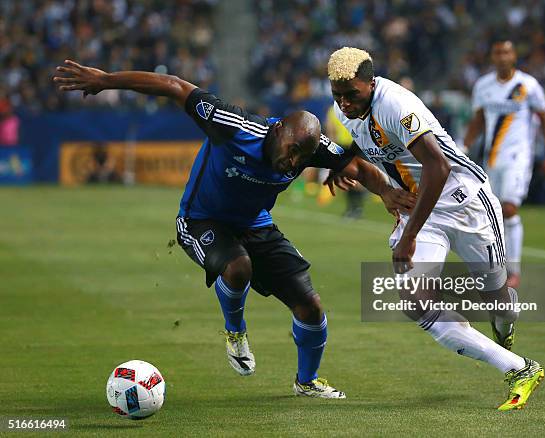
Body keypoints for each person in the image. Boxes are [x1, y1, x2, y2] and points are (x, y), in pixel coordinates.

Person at [53, 59, 415, 399]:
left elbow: (356, 165)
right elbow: (173, 85)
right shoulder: (232, 125)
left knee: (311, 307)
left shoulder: (309, 147)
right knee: (238, 266)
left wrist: (386, 192)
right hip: (200, 220)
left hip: (256, 224)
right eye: (290, 152)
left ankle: (306, 382)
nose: (291, 162)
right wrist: (106, 81)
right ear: (277, 130)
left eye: (300, 159)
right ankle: (235, 330)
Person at [326, 47, 544, 411]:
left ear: (371, 82)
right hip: (420, 210)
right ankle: (519, 368)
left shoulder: (396, 104)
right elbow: (364, 153)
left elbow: (438, 167)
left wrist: (408, 238)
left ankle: (505, 320)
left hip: (466, 202)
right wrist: (356, 174)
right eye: (338, 96)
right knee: (415, 299)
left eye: (352, 95)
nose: (345, 104)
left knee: (498, 300)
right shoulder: (344, 111)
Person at [463, 38, 545, 288]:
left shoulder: (528, 85)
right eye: (497, 53)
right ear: (492, 57)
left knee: (510, 209)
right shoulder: (483, 86)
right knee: (490, 213)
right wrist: (464, 146)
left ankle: (513, 270)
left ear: (514, 56)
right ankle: (495, 267)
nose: (502, 57)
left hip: (518, 157)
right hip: (492, 158)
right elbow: (478, 120)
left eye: (506, 52)